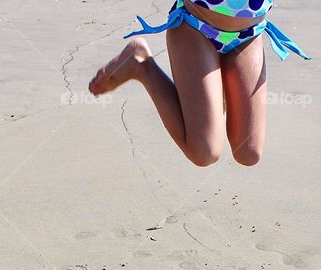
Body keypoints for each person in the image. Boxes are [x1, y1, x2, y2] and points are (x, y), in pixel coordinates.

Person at [89, 0, 308, 167]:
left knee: (249, 153)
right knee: (204, 152)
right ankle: (141, 64)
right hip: (195, 27)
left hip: (249, 34)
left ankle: (214, 89)